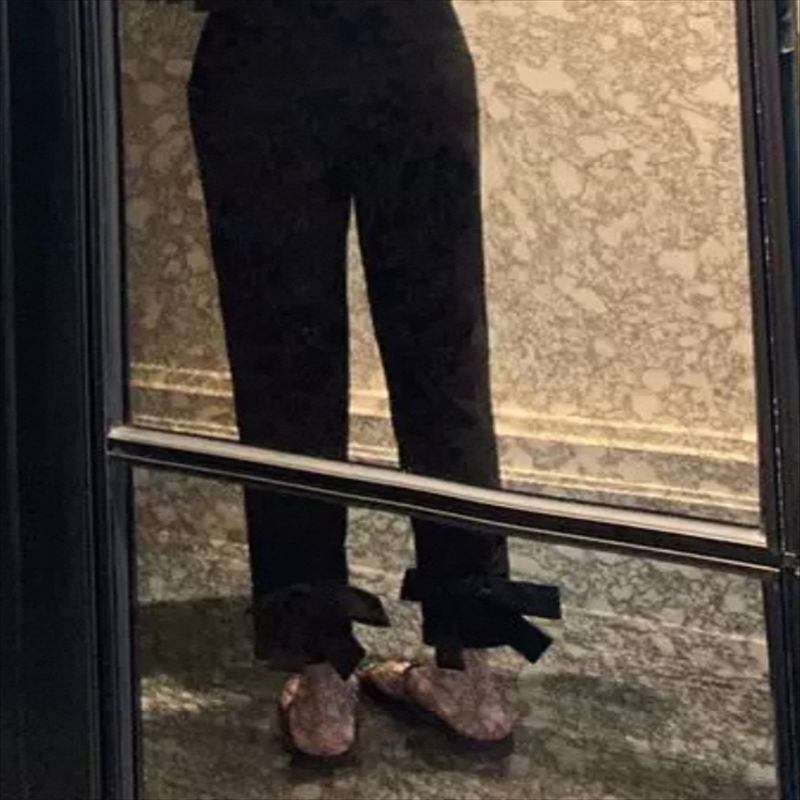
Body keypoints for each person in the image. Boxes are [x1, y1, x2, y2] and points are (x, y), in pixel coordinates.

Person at [186, 0, 560, 758]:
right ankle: (467, 666)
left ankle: (320, 675)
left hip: (263, 53)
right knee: (444, 360)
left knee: (284, 365)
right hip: (409, 48)